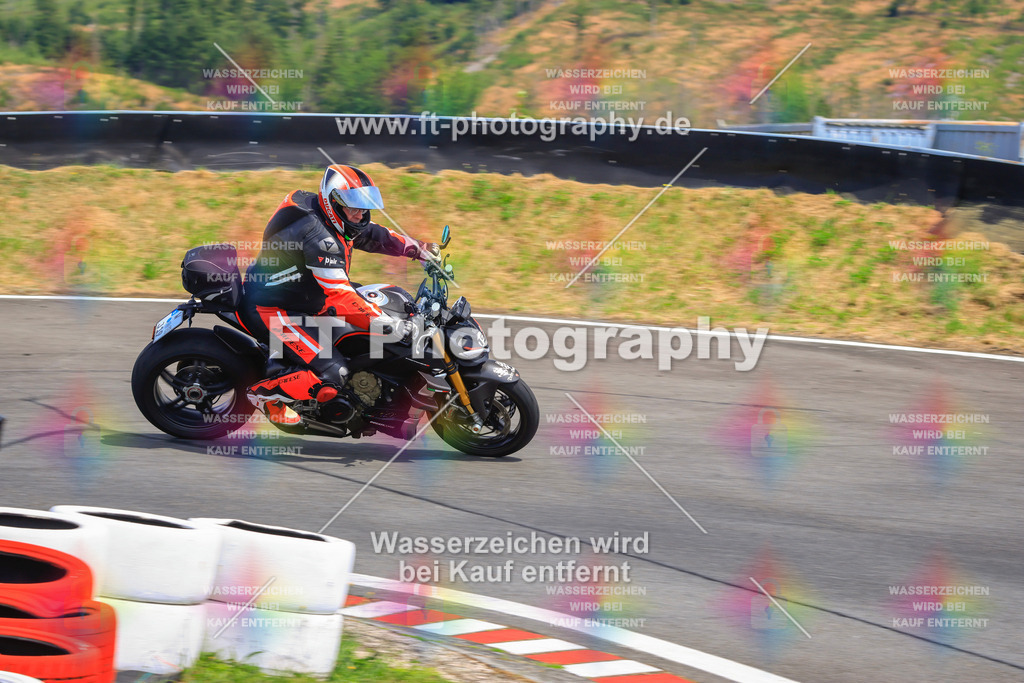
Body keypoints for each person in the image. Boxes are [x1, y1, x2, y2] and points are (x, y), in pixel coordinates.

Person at [237, 164, 439, 425]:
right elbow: (341, 297)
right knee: (334, 374)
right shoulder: (320, 238)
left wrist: (418, 249)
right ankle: (265, 394)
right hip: (273, 310)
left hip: (304, 292)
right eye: (352, 206)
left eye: (363, 206)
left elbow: (371, 234)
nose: (359, 214)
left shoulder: (326, 210)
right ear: (332, 201)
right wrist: (391, 327)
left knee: (392, 300)